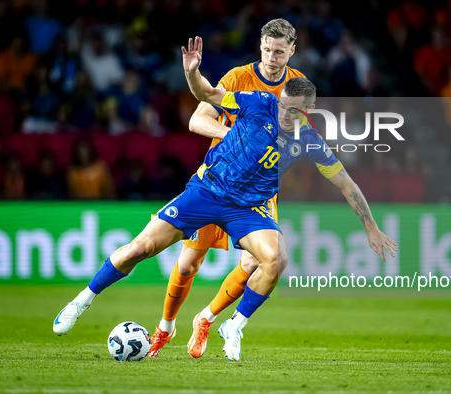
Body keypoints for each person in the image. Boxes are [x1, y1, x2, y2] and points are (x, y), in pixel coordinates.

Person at [53, 36, 398, 361]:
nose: (287, 116)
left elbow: (347, 185)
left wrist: (370, 226)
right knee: (141, 248)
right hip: (208, 191)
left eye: (296, 112)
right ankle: (82, 301)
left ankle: (233, 324)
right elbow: (205, 95)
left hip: (249, 207)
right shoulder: (256, 101)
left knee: (276, 258)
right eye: (285, 107)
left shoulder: (309, 141)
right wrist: (192, 73)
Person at [148, 19, 305, 359]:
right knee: (189, 264)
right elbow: (197, 120)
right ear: (260, 47)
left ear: (292, 51)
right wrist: (235, 137)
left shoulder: (298, 87)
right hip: (219, 181)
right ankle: (165, 326)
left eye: (279, 52)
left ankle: (207, 318)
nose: (271, 57)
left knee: (259, 260)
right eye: (266, 49)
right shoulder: (237, 78)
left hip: (259, 192)